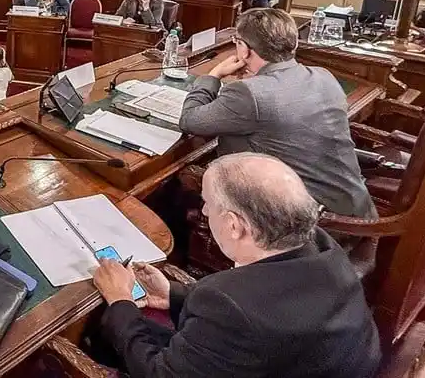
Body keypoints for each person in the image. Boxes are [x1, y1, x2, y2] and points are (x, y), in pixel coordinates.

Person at [90, 152, 381, 378]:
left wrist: (120, 301)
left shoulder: (229, 305)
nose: (203, 210)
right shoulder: (321, 245)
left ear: (234, 225)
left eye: (207, 203)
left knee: (105, 335)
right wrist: (174, 294)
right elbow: (267, 313)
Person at [178, 8, 376, 220]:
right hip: (357, 210)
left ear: (244, 49)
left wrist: (214, 75)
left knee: (182, 188)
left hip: (309, 225)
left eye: (237, 41)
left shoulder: (248, 93)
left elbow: (190, 120)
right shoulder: (323, 76)